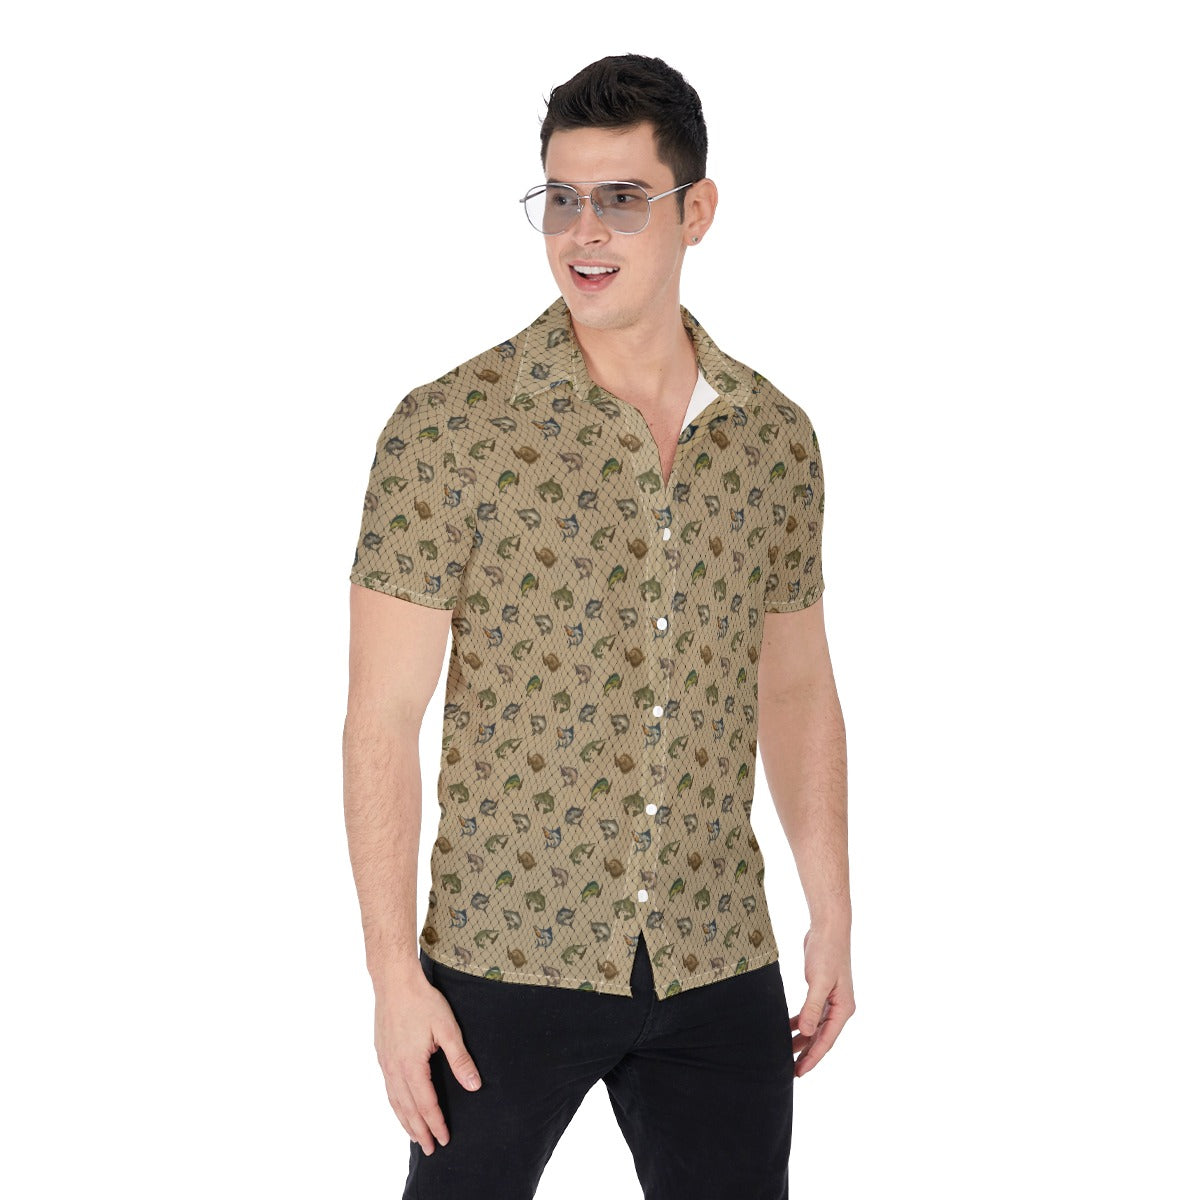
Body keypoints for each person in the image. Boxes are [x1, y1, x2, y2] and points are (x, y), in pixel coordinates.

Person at [343, 53, 852, 1200]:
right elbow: (381, 719)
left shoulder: (774, 439)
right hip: (504, 954)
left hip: (715, 952)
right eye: (562, 198)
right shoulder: (449, 430)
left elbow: (797, 690)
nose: (585, 231)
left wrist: (831, 911)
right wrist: (392, 979)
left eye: (621, 198)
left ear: (695, 211)